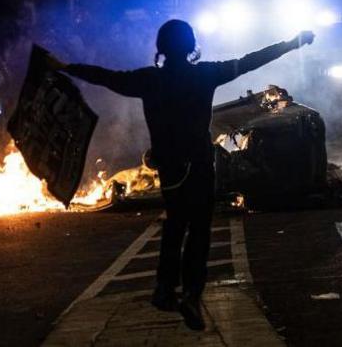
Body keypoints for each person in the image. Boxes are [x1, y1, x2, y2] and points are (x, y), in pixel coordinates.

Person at [49, 20, 315, 331]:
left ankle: (164, 288)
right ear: (191, 47)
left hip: (171, 166)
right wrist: (292, 43)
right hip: (199, 163)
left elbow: (105, 78)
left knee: (176, 224)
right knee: (199, 229)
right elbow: (249, 61)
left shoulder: (149, 80)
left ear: (161, 48)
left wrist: (66, 67)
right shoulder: (205, 74)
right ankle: (191, 293)